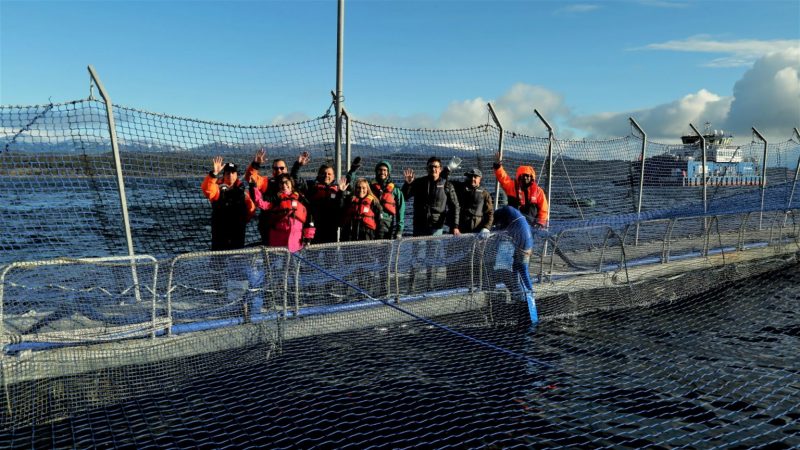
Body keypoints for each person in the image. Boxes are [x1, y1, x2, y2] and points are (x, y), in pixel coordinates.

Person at [291, 155, 361, 244]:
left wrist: (353, 169)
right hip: (314, 227)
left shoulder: (338, 188)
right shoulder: (311, 186)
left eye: (329, 174)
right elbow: (295, 179)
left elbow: (347, 180)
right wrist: (298, 165)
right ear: (318, 174)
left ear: (333, 176)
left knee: (330, 256)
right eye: (323, 173)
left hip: (331, 228)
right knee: (312, 255)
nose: (326, 176)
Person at [491, 206, 538, 324]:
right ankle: (522, 294)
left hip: (523, 246)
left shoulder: (505, 214)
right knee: (517, 269)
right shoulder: (514, 215)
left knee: (522, 269)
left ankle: (528, 293)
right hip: (526, 243)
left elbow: (500, 228)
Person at [245, 148, 301, 243]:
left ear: (286, 169)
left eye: (281, 168)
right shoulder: (266, 182)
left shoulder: (292, 184)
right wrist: (255, 164)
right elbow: (251, 178)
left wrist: (298, 165)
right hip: (269, 227)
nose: (279, 170)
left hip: (290, 228)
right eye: (275, 168)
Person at [200, 156, 256, 251]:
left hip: (237, 232)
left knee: (238, 258)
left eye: (233, 172)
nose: (230, 175)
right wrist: (214, 173)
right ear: (224, 175)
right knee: (218, 261)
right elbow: (207, 190)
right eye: (228, 172)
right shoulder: (217, 189)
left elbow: (251, 209)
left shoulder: (244, 192)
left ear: (236, 174)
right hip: (220, 233)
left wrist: (242, 220)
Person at [251, 173, 315, 253]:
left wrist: (308, 237)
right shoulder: (275, 199)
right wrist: (254, 187)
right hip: (278, 243)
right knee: (278, 265)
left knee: (295, 265)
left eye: (286, 182)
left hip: (297, 243)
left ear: (291, 183)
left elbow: (310, 218)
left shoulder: (301, 199)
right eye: (281, 183)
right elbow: (261, 203)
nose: (284, 185)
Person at [401, 156, 460, 236]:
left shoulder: (447, 185)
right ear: (427, 169)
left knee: (434, 248)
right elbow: (404, 197)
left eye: (436, 167)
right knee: (418, 249)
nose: (433, 169)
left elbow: (455, 206)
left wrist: (455, 226)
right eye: (430, 167)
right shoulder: (419, 183)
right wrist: (408, 185)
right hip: (419, 226)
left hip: (437, 227)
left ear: (440, 169)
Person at [493, 152, 549, 228]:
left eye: (528, 176)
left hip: (531, 227)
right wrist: (498, 166)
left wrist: (541, 223)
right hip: (512, 224)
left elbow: (543, 209)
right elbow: (503, 178)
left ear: (532, 177)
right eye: (523, 176)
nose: (526, 178)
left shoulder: (538, 192)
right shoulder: (512, 186)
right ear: (519, 177)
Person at [444, 166, 494, 234]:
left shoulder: (484, 193)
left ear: (480, 179)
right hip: (458, 230)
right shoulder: (459, 187)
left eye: (475, 177)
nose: (472, 179)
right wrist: (447, 170)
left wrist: (486, 228)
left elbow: (490, 213)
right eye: (470, 176)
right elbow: (444, 182)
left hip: (476, 232)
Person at [369, 160, 406, 240]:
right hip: (371, 225)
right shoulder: (369, 188)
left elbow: (401, 210)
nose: (382, 172)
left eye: (385, 170)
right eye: (380, 170)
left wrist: (399, 230)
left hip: (387, 226)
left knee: (385, 251)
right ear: (376, 171)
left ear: (388, 172)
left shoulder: (395, 190)